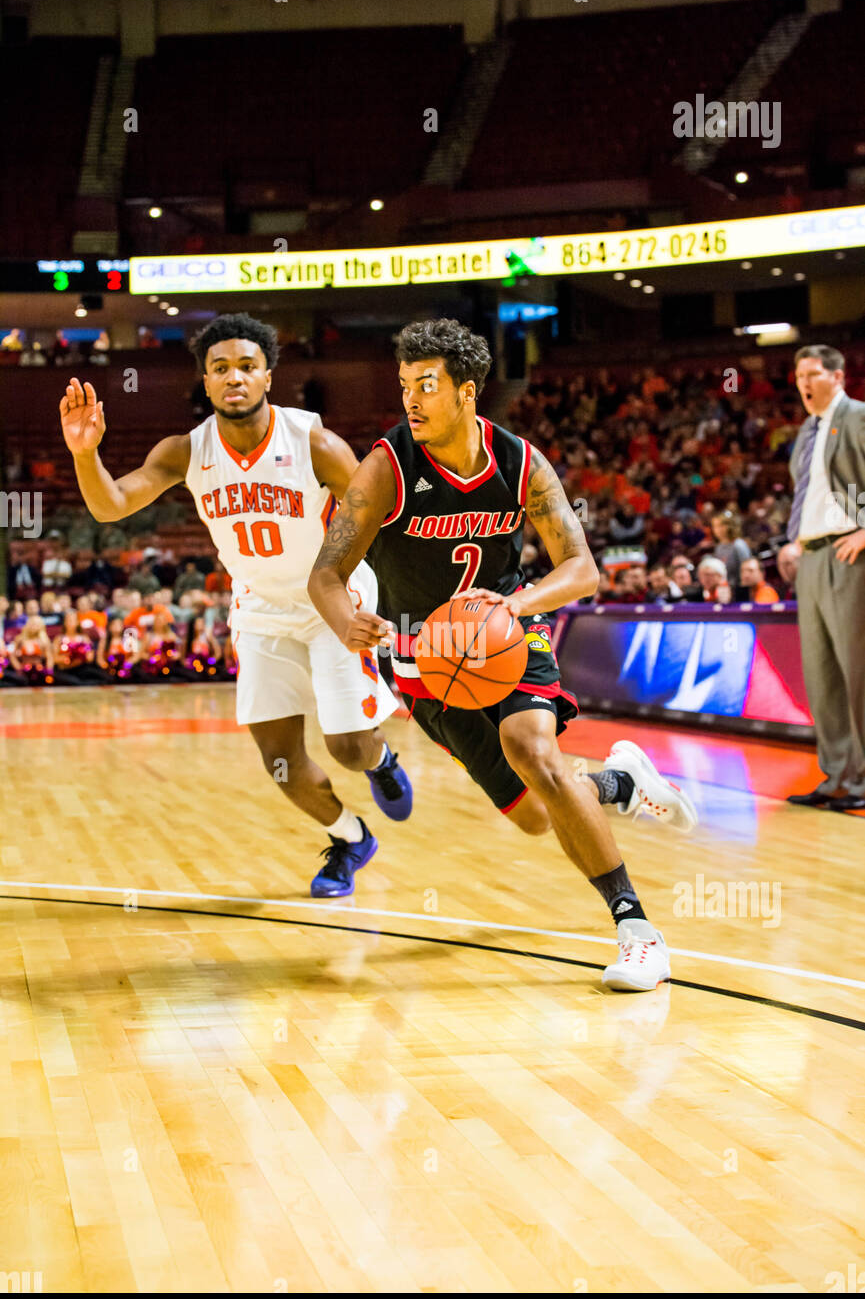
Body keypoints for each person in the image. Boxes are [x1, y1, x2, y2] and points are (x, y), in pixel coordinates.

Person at [309, 319, 698, 994]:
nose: (411, 400)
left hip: (508, 636)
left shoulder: (519, 461)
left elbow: (580, 569)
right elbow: (324, 575)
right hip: (423, 664)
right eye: (404, 386)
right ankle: (621, 786)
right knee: (535, 814)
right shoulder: (385, 468)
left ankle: (637, 931)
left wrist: (514, 607)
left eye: (425, 386)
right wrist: (347, 623)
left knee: (534, 750)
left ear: (466, 392)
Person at [60, 311, 412, 894]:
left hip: (332, 601)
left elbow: (375, 518)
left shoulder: (315, 443)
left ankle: (380, 762)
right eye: (220, 368)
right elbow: (111, 504)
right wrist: (84, 453)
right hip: (260, 610)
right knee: (281, 764)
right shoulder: (185, 451)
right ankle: (352, 838)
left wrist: (382, 606)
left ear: (268, 375)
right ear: (205, 381)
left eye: (247, 366)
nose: (234, 378)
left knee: (348, 747)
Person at [778, 344, 865, 810]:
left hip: (849, 555)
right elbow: (813, 497)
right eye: (798, 375)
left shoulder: (856, 417)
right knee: (822, 674)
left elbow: (853, 496)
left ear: (838, 376)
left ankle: (862, 781)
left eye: (812, 373)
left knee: (857, 671)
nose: (804, 383)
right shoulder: (807, 431)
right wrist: (796, 541)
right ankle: (837, 776)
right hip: (812, 557)